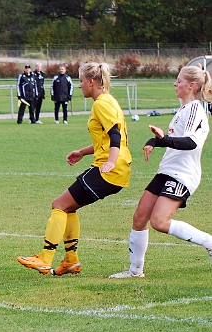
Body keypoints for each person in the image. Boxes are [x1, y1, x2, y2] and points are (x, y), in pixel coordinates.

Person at [18, 62, 132, 275]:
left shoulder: (101, 104)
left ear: (91, 82)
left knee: (59, 205)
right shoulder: (109, 101)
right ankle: (71, 260)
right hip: (116, 169)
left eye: (81, 81)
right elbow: (106, 139)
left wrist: (110, 161)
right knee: (69, 207)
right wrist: (82, 152)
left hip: (109, 170)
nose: (79, 86)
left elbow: (115, 135)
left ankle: (45, 258)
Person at [110, 66, 212, 278]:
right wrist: (154, 141)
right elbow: (174, 140)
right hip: (167, 170)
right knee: (139, 218)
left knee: (159, 222)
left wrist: (163, 139)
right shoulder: (183, 110)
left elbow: (191, 143)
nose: (175, 84)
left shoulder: (195, 110)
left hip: (183, 174)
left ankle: (209, 242)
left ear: (191, 85)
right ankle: (135, 271)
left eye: (179, 81)